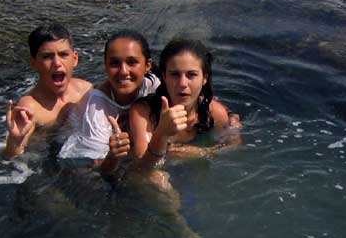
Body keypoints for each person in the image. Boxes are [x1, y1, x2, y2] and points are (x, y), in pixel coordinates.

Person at [56, 30, 160, 174]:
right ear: (105, 66)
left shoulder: (154, 86)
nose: (123, 71)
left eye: (132, 62)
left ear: (147, 65)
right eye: (115, 63)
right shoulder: (97, 109)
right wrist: (113, 156)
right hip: (77, 155)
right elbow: (96, 171)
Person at [129, 38, 240, 168]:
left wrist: (202, 152)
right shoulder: (144, 113)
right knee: (156, 179)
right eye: (175, 74)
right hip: (155, 173)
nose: (182, 83)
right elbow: (143, 168)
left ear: (204, 78)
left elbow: (233, 144)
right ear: (164, 76)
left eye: (191, 75)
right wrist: (161, 133)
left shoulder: (215, 112)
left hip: (194, 170)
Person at [4, 22, 91, 158]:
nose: (57, 63)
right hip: (46, 159)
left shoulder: (85, 90)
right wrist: (15, 140)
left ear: (74, 59)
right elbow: (11, 158)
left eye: (63, 54)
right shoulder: (30, 108)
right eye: (47, 56)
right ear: (34, 63)